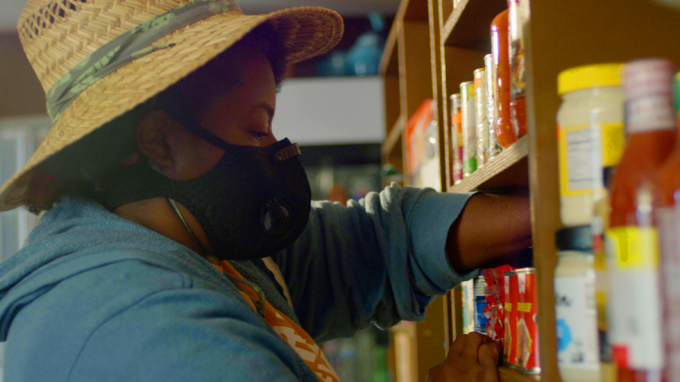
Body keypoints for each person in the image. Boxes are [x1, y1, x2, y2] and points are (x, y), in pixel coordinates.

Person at [0, 0, 530, 381]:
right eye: (256, 129)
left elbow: (372, 244)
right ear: (159, 141)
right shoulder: (151, 330)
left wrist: (541, 213)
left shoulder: (199, 240)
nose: (275, 150)